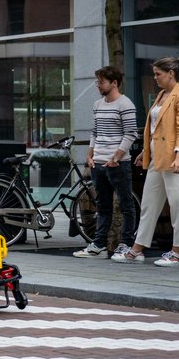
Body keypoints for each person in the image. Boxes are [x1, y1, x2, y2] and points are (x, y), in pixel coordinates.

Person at [114, 56, 179, 267]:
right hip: (157, 158)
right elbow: (155, 129)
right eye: (154, 74)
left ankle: (177, 253)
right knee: (149, 205)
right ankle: (137, 250)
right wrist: (145, 151)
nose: (155, 78)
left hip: (174, 159)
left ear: (171, 73)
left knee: (178, 205)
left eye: (158, 74)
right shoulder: (162, 94)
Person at [73, 66, 139, 258]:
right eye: (97, 82)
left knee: (126, 204)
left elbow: (131, 133)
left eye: (101, 82)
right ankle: (98, 244)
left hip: (118, 164)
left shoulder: (125, 104)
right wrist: (90, 155)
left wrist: (116, 157)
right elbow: (95, 131)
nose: (98, 85)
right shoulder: (98, 104)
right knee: (102, 206)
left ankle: (126, 244)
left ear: (114, 83)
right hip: (98, 163)